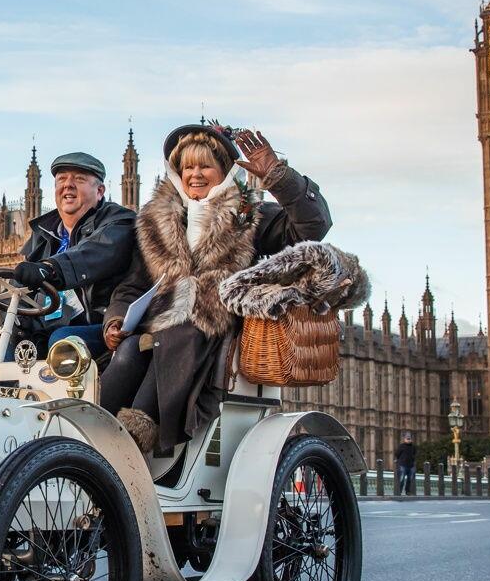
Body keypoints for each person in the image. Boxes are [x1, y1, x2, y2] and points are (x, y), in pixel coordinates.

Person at [99, 122, 332, 453]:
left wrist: (278, 176)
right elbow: (132, 286)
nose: (195, 174)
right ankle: (92, 426)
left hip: (216, 332)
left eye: (205, 165)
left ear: (223, 170)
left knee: (175, 337)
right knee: (125, 354)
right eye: (187, 166)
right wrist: (117, 319)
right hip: (158, 328)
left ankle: (138, 434)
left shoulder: (248, 213)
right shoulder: (155, 222)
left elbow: (313, 226)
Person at [8, 152, 137, 358]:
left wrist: (50, 268)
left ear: (100, 191)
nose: (68, 185)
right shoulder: (42, 239)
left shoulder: (119, 221)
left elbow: (95, 253)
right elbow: (20, 291)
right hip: (50, 331)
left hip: (103, 327)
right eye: (62, 179)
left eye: (79, 179)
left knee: (62, 340)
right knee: (12, 346)